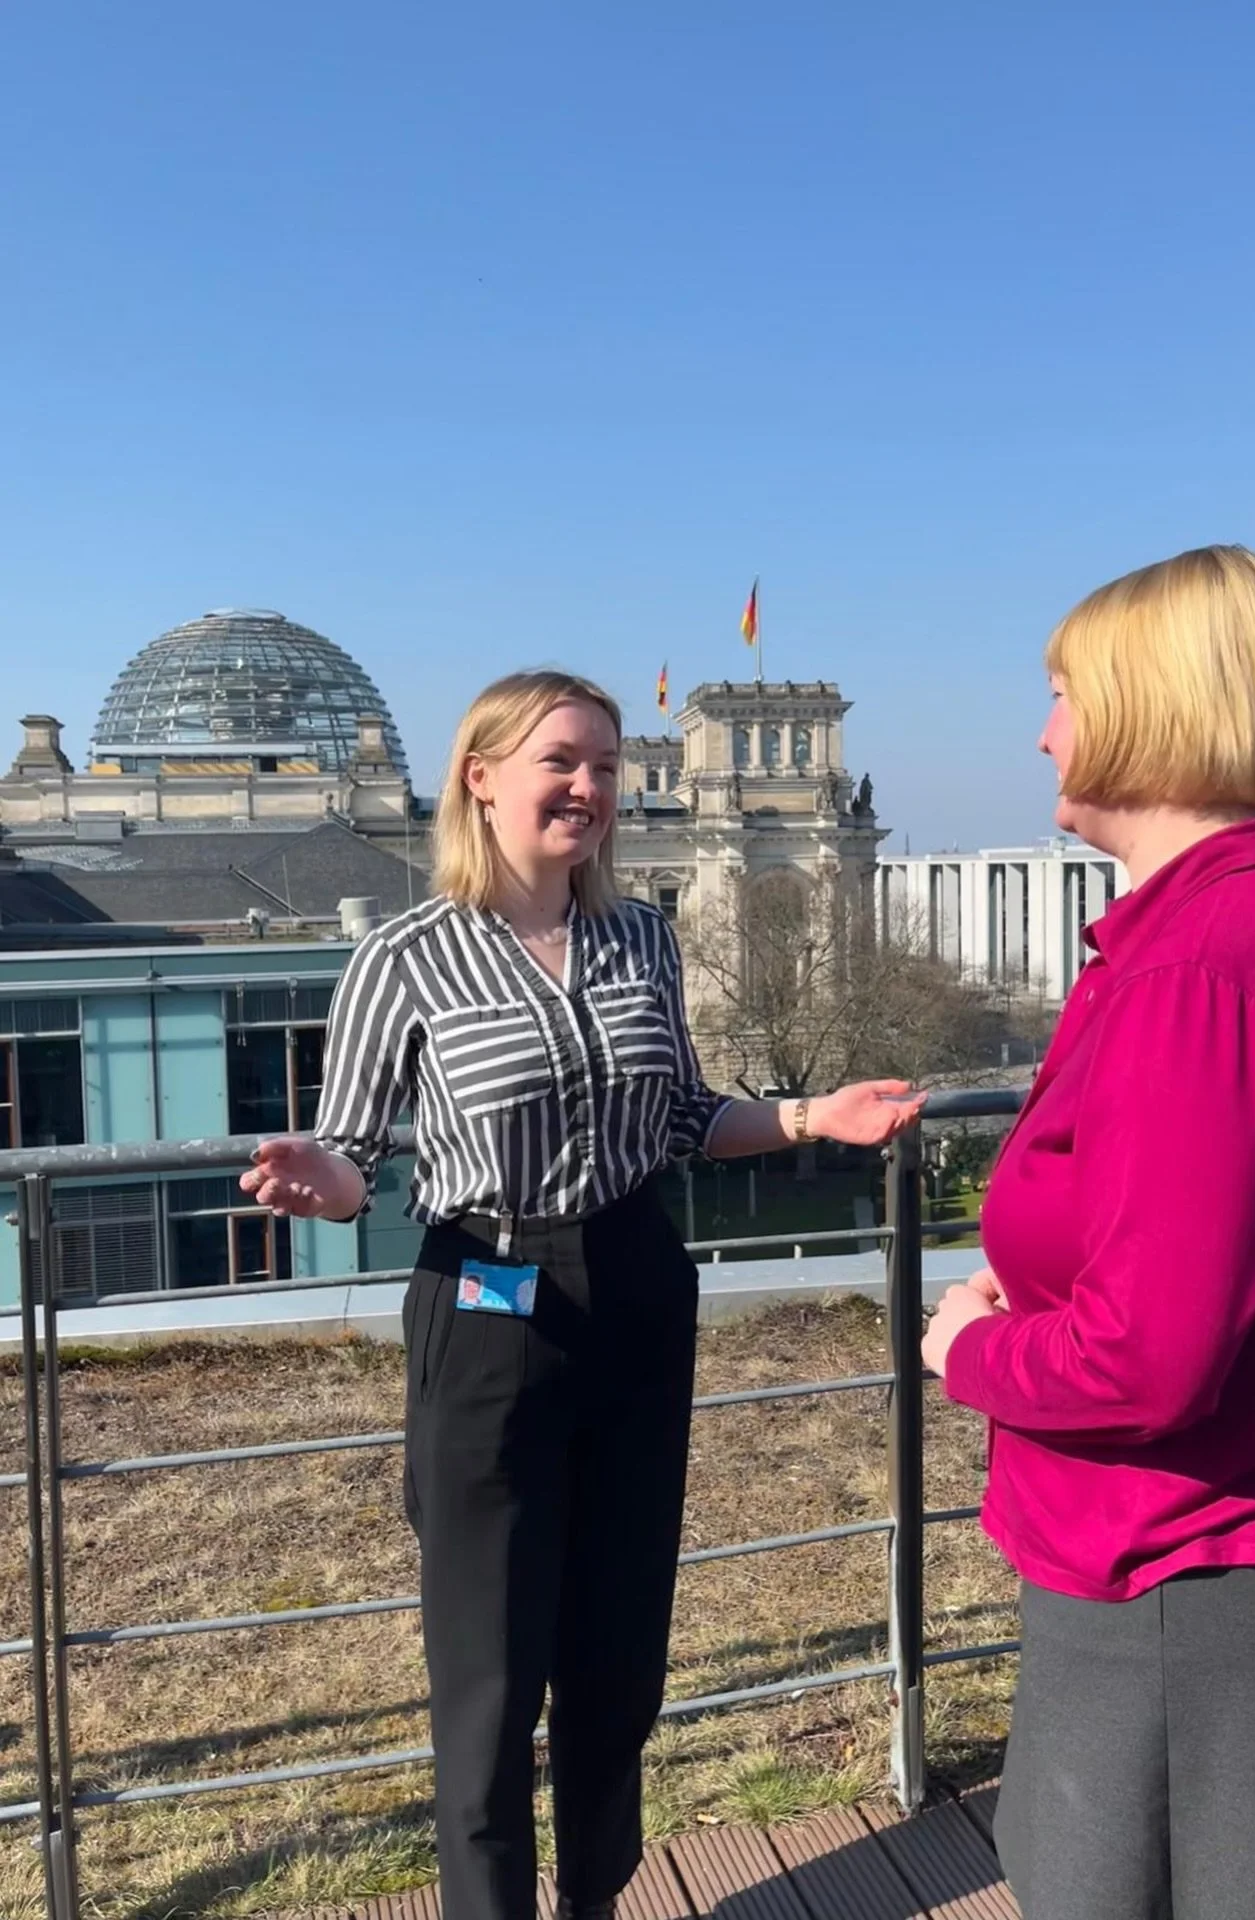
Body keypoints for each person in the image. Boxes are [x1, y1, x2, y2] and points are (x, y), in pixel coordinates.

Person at [241, 669, 924, 1920]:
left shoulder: (644, 939)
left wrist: (810, 1115)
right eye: (561, 761)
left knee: (619, 1656)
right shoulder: (406, 953)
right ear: (481, 778)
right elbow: (353, 1150)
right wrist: (316, 1180)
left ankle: (599, 1898)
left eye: (606, 766)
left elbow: (676, 1116)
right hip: (487, 1293)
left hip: (635, 1285)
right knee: (491, 1670)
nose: (590, 788)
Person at [921, 547, 1255, 1920]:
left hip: (1204, 1579)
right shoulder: (1212, 937)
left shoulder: (1215, 966)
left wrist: (974, 1352)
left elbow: (1151, 1359)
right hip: (1175, 1566)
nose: (1042, 731)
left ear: (1156, 708)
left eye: (1066, 694)